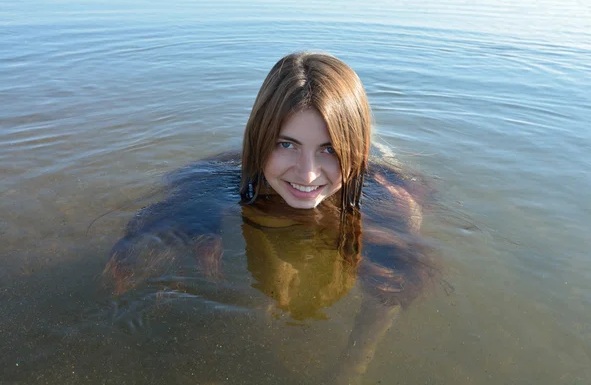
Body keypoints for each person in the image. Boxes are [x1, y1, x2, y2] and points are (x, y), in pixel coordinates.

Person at [106, 52, 437, 384]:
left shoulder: (392, 205)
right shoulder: (215, 188)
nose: (307, 174)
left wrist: (352, 367)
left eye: (330, 148)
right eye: (286, 143)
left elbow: (388, 289)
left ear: (354, 148)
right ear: (259, 139)